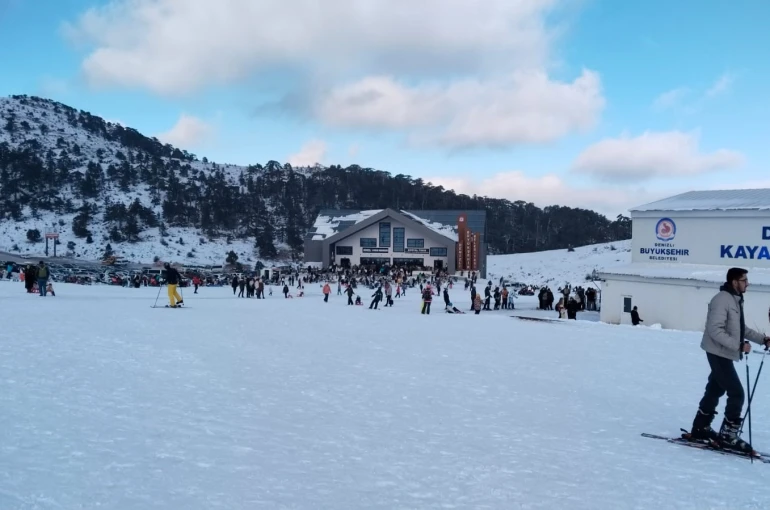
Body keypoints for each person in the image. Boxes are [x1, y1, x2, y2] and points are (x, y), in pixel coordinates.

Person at [689, 267, 770, 452]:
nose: (747, 283)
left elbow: (741, 329)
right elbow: (714, 330)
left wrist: (763, 339)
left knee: (714, 389)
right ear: (734, 282)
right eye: (744, 280)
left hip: (724, 352)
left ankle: (700, 427)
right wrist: (739, 346)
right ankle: (728, 436)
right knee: (737, 393)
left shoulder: (735, 300)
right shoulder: (722, 300)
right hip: (718, 352)